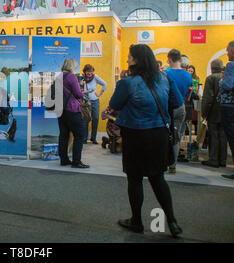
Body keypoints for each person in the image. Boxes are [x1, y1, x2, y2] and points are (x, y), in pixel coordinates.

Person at [109, 44, 183, 238]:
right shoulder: (165, 78)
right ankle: (172, 222)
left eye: (129, 57)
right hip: (158, 134)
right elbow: (176, 102)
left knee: (134, 179)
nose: (127, 60)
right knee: (158, 178)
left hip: (135, 134)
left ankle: (137, 221)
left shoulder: (127, 83)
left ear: (136, 60)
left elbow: (114, 104)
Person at [58, 59, 89, 169]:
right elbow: (77, 93)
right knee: (79, 136)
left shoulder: (59, 76)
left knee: (63, 135)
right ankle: (76, 161)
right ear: (71, 66)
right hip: (72, 109)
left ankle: (64, 159)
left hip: (61, 110)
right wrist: (82, 92)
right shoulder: (71, 77)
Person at [165, 49, 193, 173]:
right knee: (176, 136)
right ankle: (173, 166)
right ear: (180, 59)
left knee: (165, 136)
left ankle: (163, 163)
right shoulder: (188, 75)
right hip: (181, 107)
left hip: (168, 107)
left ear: (169, 59)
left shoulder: (166, 73)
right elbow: (188, 93)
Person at [201, 59, 227, 168]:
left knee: (213, 135)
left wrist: (204, 113)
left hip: (214, 111)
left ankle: (213, 159)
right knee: (223, 135)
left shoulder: (211, 78)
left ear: (211, 68)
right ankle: (222, 160)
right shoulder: (225, 77)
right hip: (225, 110)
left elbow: (208, 98)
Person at [80, 64, 107, 144]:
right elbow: (79, 88)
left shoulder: (95, 77)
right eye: (88, 72)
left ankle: (93, 138)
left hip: (95, 101)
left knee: (95, 118)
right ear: (84, 72)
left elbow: (104, 84)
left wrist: (100, 94)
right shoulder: (82, 78)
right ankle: (84, 138)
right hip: (85, 102)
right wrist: (81, 84)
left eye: (91, 72)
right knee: (86, 119)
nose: (89, 73)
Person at [219, 41, 234, 180]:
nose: (227, 52)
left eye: (228, 50)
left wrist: (221, 81)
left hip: (229, 106)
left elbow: (228, 85)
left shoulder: (231, 65)